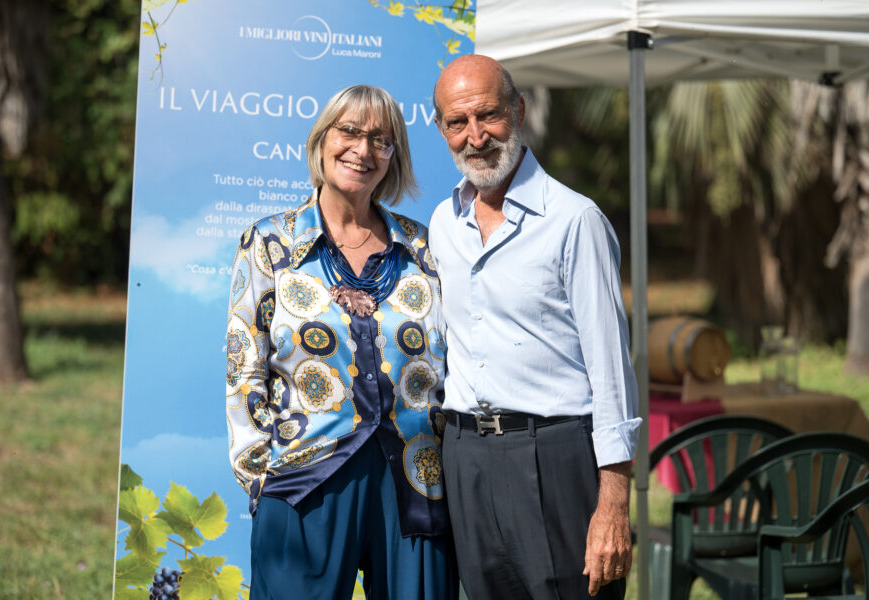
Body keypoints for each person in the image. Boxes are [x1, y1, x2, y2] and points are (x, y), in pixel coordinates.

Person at [226, 84, 457, 600]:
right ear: (322, 140)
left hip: (415, 485)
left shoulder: (423, 247)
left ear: (394, 156)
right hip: (304, 480)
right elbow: (245, 368)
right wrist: (261, 478)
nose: (362, 149)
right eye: (349, 131)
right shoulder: (270, 242)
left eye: (381, 139)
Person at [428, 55, 642, 599]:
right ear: (442, 130)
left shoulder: (575, 220)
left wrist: (615, 502)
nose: (475, 136)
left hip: (554, 459)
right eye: (458, 122)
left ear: (518, 111)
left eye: (488, 115)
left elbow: (612, 369)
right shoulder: (442, 224)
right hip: (466, 460)